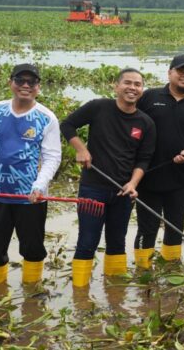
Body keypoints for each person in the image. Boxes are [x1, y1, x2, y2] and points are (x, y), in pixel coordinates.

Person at [61, 68, 156, 287]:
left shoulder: (146, 123)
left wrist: (133, 184)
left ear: (142, 90)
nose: (132, 88)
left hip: (122, 192)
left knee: (117, 241)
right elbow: (67, 125)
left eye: (138, 84)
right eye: (127, 83)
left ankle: (115, 293)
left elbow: (144, 160)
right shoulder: (98, 107)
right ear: (116, 86)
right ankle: (80, 294)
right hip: (93, 189)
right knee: (87, 241)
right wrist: (81, 149)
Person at [0, 64, 61, 288]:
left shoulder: (46, 117)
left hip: (32, 197)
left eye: (31, 82)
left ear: (38, 87)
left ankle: (32, 296)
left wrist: (39, 186)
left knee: (33, 249)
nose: (26, 85)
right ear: (11, 82)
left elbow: (52, 157)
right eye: (20, 80)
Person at [133, 54, 184, 268]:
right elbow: (129, 121)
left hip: (179, 181)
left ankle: (171, 270)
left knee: (175, 229)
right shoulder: (149, 97)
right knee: (147, 229)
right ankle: (142, 271)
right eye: (180, 71)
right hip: (147, 178)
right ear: (169, 73)